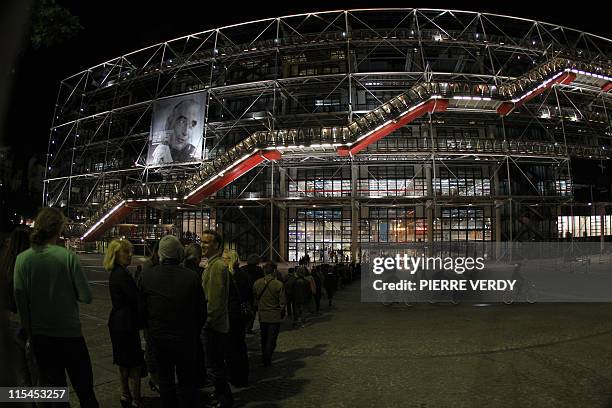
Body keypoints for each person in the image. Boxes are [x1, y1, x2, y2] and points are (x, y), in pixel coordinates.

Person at [13, 207, 99, 407]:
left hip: (42, 337)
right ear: (59, 229)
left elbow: (21, 304)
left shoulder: (22, 260)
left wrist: (30, 334)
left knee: (56, 394)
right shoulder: (67, 257)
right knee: (85, 389)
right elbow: (86, 296)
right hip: (70, 335)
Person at [140, 235, 205, 408]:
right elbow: (201, 312)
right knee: (186, 380)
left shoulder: (148, 276)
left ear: (161, 254)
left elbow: (141, 310)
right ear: (179, 253)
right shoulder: (191, 277)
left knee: (165, 380)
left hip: (159, 338)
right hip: (185, 337)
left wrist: (151, 329)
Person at [104, 239, 144, 407]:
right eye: (125, 252)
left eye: (130, 251)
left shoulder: (116, 272)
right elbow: (135, 298)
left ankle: (125, 393)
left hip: (117, 321)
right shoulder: (122, 274)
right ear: (116, 255)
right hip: (126, 323)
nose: (130, 254)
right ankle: (135, 397)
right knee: (134, 362)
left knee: (122, 361)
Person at [201, 230, 233, 408]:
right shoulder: (212, 265)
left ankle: (224, 400)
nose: (203, 245)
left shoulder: (217, 267)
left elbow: (214, 302)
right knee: (215, 366)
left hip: (214, 327)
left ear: (217, 246)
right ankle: (222, 396)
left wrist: (206, 324)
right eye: (202, 242)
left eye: (207, 242)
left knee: (215, 367)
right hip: (216, 326)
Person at [1, 227, 32, 389]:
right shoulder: (27, 265)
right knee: (38, 374)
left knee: (22, 376)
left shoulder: (5, 265)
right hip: (27, 323)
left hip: (9, 324)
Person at [222, 249, 250, 387]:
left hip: (232, 314)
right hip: (240, 314)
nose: (223, 260)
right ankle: (242, 375)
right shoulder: (242, 275)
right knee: (239, 345)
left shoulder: (230, 275)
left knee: (231, 347)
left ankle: (235, 376)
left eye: (225, 258)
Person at [253, 262, 285, 367]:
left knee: (264, 337)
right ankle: (267, 356)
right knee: (272, 339)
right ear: (274, 271)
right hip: (274, 315)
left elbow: (254, 299)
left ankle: (264, 355)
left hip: (262, 315)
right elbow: (282, 302)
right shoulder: (278, 284)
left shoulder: (257, 283)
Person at [151, 99, 201, 165]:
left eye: (192, 125)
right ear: (169, 122)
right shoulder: (152, 150)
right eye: (182, 122)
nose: (185, 132)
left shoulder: (194, 154)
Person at [239, 254, 263, 333]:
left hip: (243, 293)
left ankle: (243, 326)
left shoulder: (242, 269)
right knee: (253, 311)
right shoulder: (259, 270)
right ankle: (249, 328)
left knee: (243, 310)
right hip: (253, 293)